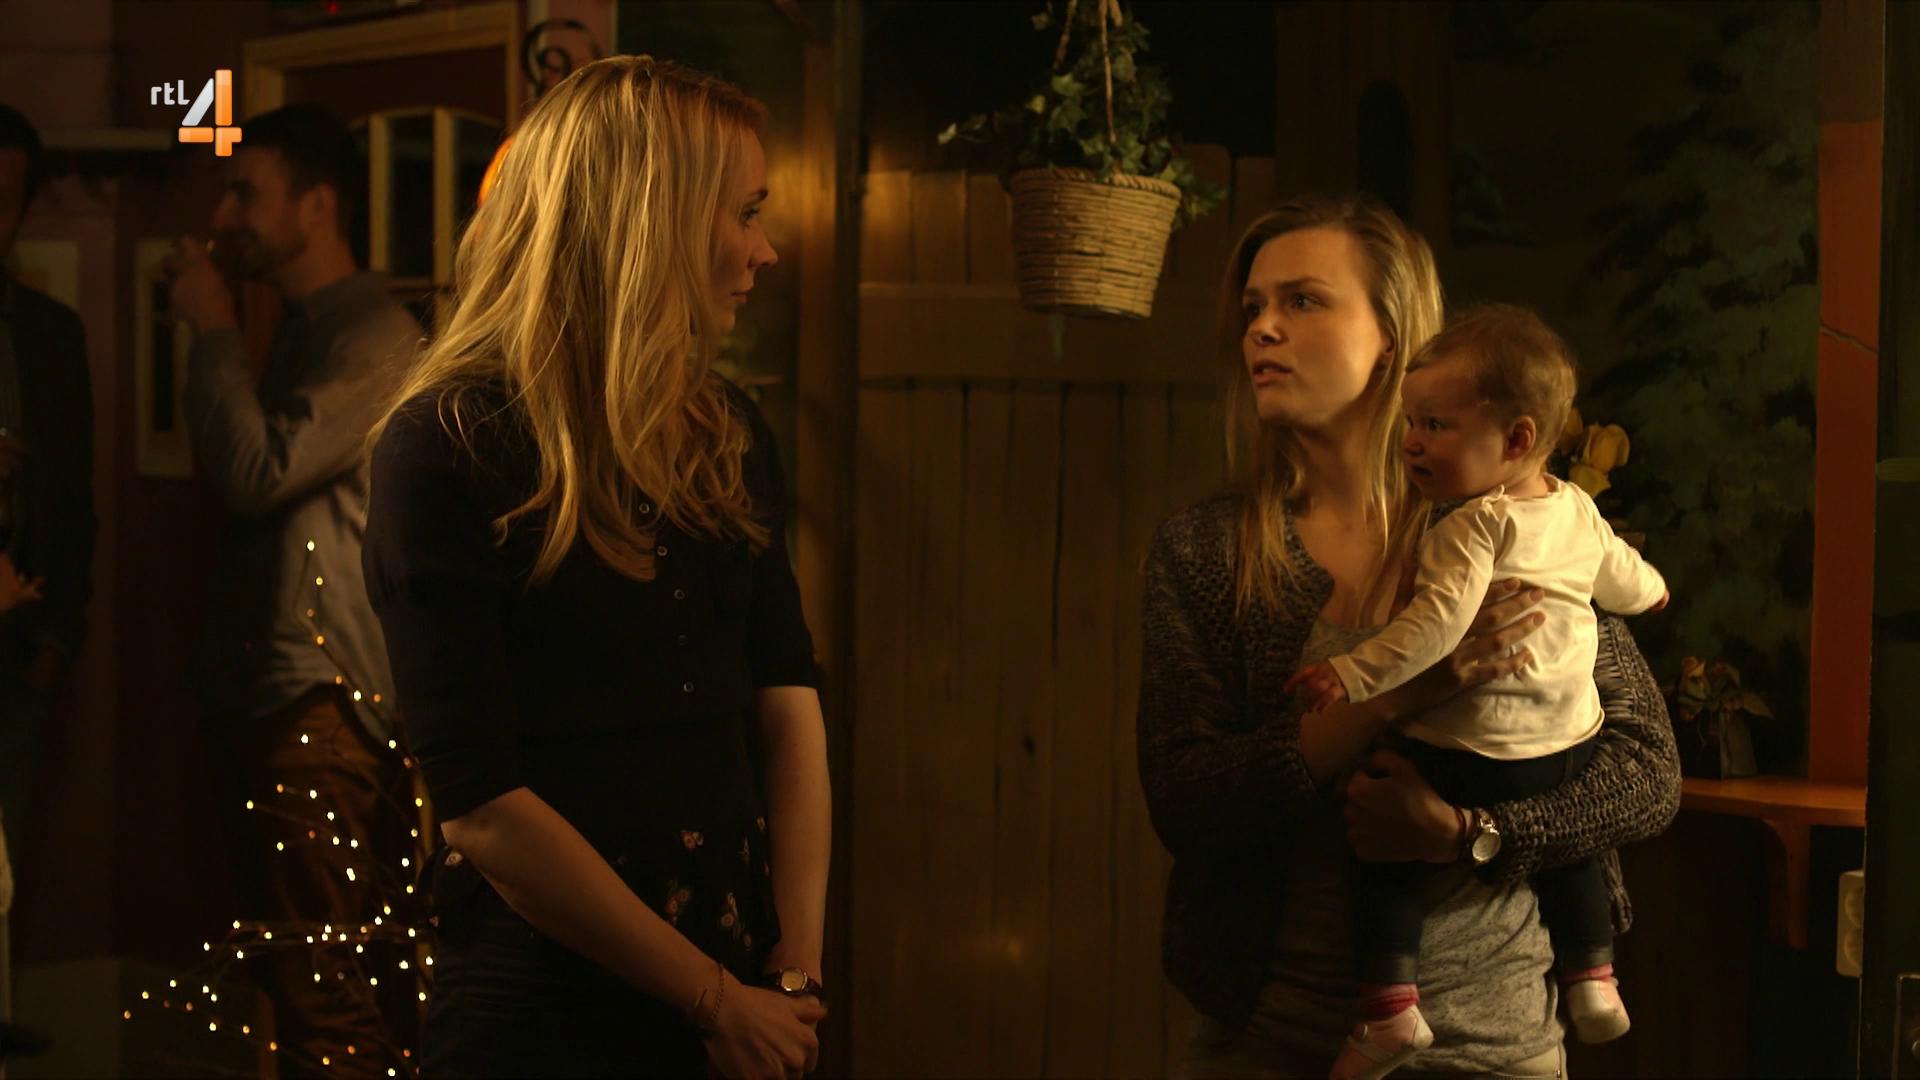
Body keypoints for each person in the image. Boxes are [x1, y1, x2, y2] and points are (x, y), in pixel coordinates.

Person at [1136, 194, 1682, 1080]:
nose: (1262, 328)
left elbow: (1647, 774)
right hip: (1273, 1038)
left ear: (1390, 337)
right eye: (1253, 307)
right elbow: (1186, 800)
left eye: (1303, 300)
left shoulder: (1518, 520)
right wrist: (1403, 695)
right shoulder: (1207, 551)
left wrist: (1471, 832)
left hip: (1494, 1047)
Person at [361, 57, 831, 1079]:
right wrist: (714, 1001)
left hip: (743, 986)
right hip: (546, 1012)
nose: (765, 249)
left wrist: (791, 971)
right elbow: (483, 805)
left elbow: (787, 699)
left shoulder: (725, 432)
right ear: (650, 222)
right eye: (745, 212)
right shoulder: (450, 444)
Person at [1285, 304, 1670, 1077]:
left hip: (1474, 770)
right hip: (1563, 742)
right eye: (1412, 423)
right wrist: (1656, 591)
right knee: (1573, 864)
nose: (1413, 440)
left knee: (1383, 853)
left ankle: (1390, 1009)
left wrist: (1353, 676)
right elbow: (1626, 578)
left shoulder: (1468, 526)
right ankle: (1593, 974)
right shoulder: (1576, 509)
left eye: (1433, 424)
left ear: (1516, 440)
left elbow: (1433, 629)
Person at [167, 103, 422, 1077]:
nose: (224, 214)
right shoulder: (303, 328)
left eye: (247, 192)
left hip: (322, 704)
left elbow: (256, 472)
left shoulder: (374, 336)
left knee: (325, 992)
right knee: (293, 978)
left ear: (317, 206)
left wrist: (211, 330)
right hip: (270, 695)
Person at [0, 100, 97, 1041]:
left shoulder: (50, 333)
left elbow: (75, 498)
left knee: (8, 851)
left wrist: (61, 630)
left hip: (22, 637)